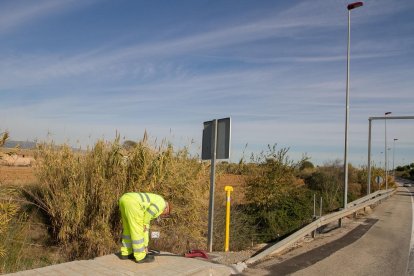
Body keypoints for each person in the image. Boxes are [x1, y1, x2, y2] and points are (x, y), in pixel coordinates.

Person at [118, 192, 170, 263]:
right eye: (165, 215)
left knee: (127, 229)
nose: (162, 216)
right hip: (134, 204)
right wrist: (145, 247)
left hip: (124, 199)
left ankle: (126, 253)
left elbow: (147, 218)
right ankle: (140, 256)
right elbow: (147, 216)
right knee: (137, 231)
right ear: (166, 209)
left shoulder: (157, 199)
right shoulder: (162, 204)